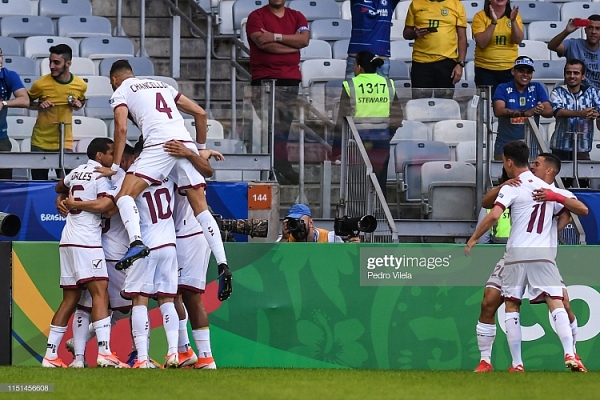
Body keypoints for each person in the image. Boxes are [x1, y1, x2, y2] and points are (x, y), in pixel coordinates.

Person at [102, 60, 231, 304]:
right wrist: (199, 149)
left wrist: (116, 167)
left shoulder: (122, 91)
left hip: (158, 145)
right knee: (201, 209)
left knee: (125, 196)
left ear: (114, 80)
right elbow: (200, 113)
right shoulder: (163, 85)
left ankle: (136, 242)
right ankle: (223, 264)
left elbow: (120, 129)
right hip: (184, 144)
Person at [466, 141, 586, 373]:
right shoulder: (520, 186)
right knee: (489, 302)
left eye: (538, 164)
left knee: (522, 303)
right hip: (527, 256)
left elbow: (574, 211)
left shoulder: (556, 193)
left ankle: (524, 362)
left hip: (526, 254)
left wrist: (473, 238)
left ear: (549, 170)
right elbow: (570, 215)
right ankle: (487, 361)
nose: (533, 166)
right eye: (532, 162)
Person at [43, 137, 128, 368]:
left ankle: (50, 356)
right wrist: (75, 204)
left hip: (67, 240)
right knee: (101, 293)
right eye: (111, 153)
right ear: (100, 156)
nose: (114, 158)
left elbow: (59, 186)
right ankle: (104, 352)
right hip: (86, 242)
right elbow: (103, 206)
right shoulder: (101, 175)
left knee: (70, 299)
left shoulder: (78, 171)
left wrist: (63, 199)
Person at [164, 139, 222, 370]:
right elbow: (205, 164)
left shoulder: (181, 163)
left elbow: (207, 170)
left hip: (190, 233)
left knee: (179, 295)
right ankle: (198, 355)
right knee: (181, 295)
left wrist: (192, 153)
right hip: (185, 234)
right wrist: (201, 152)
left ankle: (194, 353)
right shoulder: (181, 160)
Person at [246, 0, 309, 185]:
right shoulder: (256, 17)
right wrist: (292, 46)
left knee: (283, 125)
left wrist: (275, 36)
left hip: (290, 79)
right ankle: (275, 166)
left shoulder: (297, 16)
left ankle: (280, 165)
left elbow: (304, 40)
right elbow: (264, 45)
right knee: (270, 125)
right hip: (264, 79)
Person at [334, 51, 403, 197]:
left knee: (356, 187)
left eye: (354, 65)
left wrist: (335, 148)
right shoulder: (388, 84)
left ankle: (359, 218)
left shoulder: (351, 85)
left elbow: (342, 120)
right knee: (378, 186)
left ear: (359, 67)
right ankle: (377, 217)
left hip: (356, 141)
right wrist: (386, 135)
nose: (353, 68)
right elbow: (398, 117)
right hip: (381, 141)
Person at [28, 44, 86, 181]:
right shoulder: (40, 84)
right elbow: (26, 102)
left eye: (56, 62)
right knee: (39, 185)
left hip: (64, 142)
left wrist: (78, 104)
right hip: (40, 143)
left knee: (66, 185)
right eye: (50, 62)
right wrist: (39, 105)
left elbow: (82, 100)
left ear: (68, 63)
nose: (52, 66)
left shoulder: (80, 85)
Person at [549, 59, 600, 188]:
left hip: (582, 148)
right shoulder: (557, 91)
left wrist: (597, 114)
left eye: (576, 73)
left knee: (583, 188)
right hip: (560, 148)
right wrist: (581, 114)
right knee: (559, 188)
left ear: (583, 76)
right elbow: (558, 112)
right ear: (564, 74)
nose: (572, 76)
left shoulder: (592, 92)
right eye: (568, 73)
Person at [402, 0, 467, 98]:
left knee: (444, 106)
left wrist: (460, 64)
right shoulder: (416, 3)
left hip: (446, 63)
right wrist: (415, 33)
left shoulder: (456, 4)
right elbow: (406, 33)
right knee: (420, 105)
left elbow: (462, 38)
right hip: (421, 63)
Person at [492, 56, 553, 160]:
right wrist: (524, 113)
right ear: (513, 71)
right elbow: (498, 110)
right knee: (504, 176)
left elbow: (549, 111)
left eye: (528, 72)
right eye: (521, 71)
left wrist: (540, 109)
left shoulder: (537, 87)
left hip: (530, 147)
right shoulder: (503, 87)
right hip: (505, 146)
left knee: (529, 176)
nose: (525, 74)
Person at [472, 0, 524, 95]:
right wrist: (493, 23)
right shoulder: (480, 16)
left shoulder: (515, 16)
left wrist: (513, 21)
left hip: (510, 70)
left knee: (509, 105)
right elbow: (482, 43)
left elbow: (518, 40)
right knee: (487, 106)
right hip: (485, 71)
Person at [345, 0, 401, 79]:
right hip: (357, 60)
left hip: (380, 60)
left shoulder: (390, 1)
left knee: (382, 92)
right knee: (351, 91)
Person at [0, 47, 30, 179]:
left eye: (0, 55)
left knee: (5, 182)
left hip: (1, 137)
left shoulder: (9, 75)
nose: (0, 60)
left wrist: (4, 103)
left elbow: (25, 100)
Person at [548, 15, 600, 90]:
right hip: (574, 95)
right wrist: (567, 31)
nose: (593, 32)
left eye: (598, 29)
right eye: (590, 28)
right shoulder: (574, 44)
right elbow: (551, 46)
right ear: (585, 30)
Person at [278, 203, 343, 242]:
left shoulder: (330, 238)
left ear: (311, 222)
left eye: (299, 221)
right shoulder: (285, 239)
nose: (296, 226)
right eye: (293, 223)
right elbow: (272, 261)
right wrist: (284, 239)